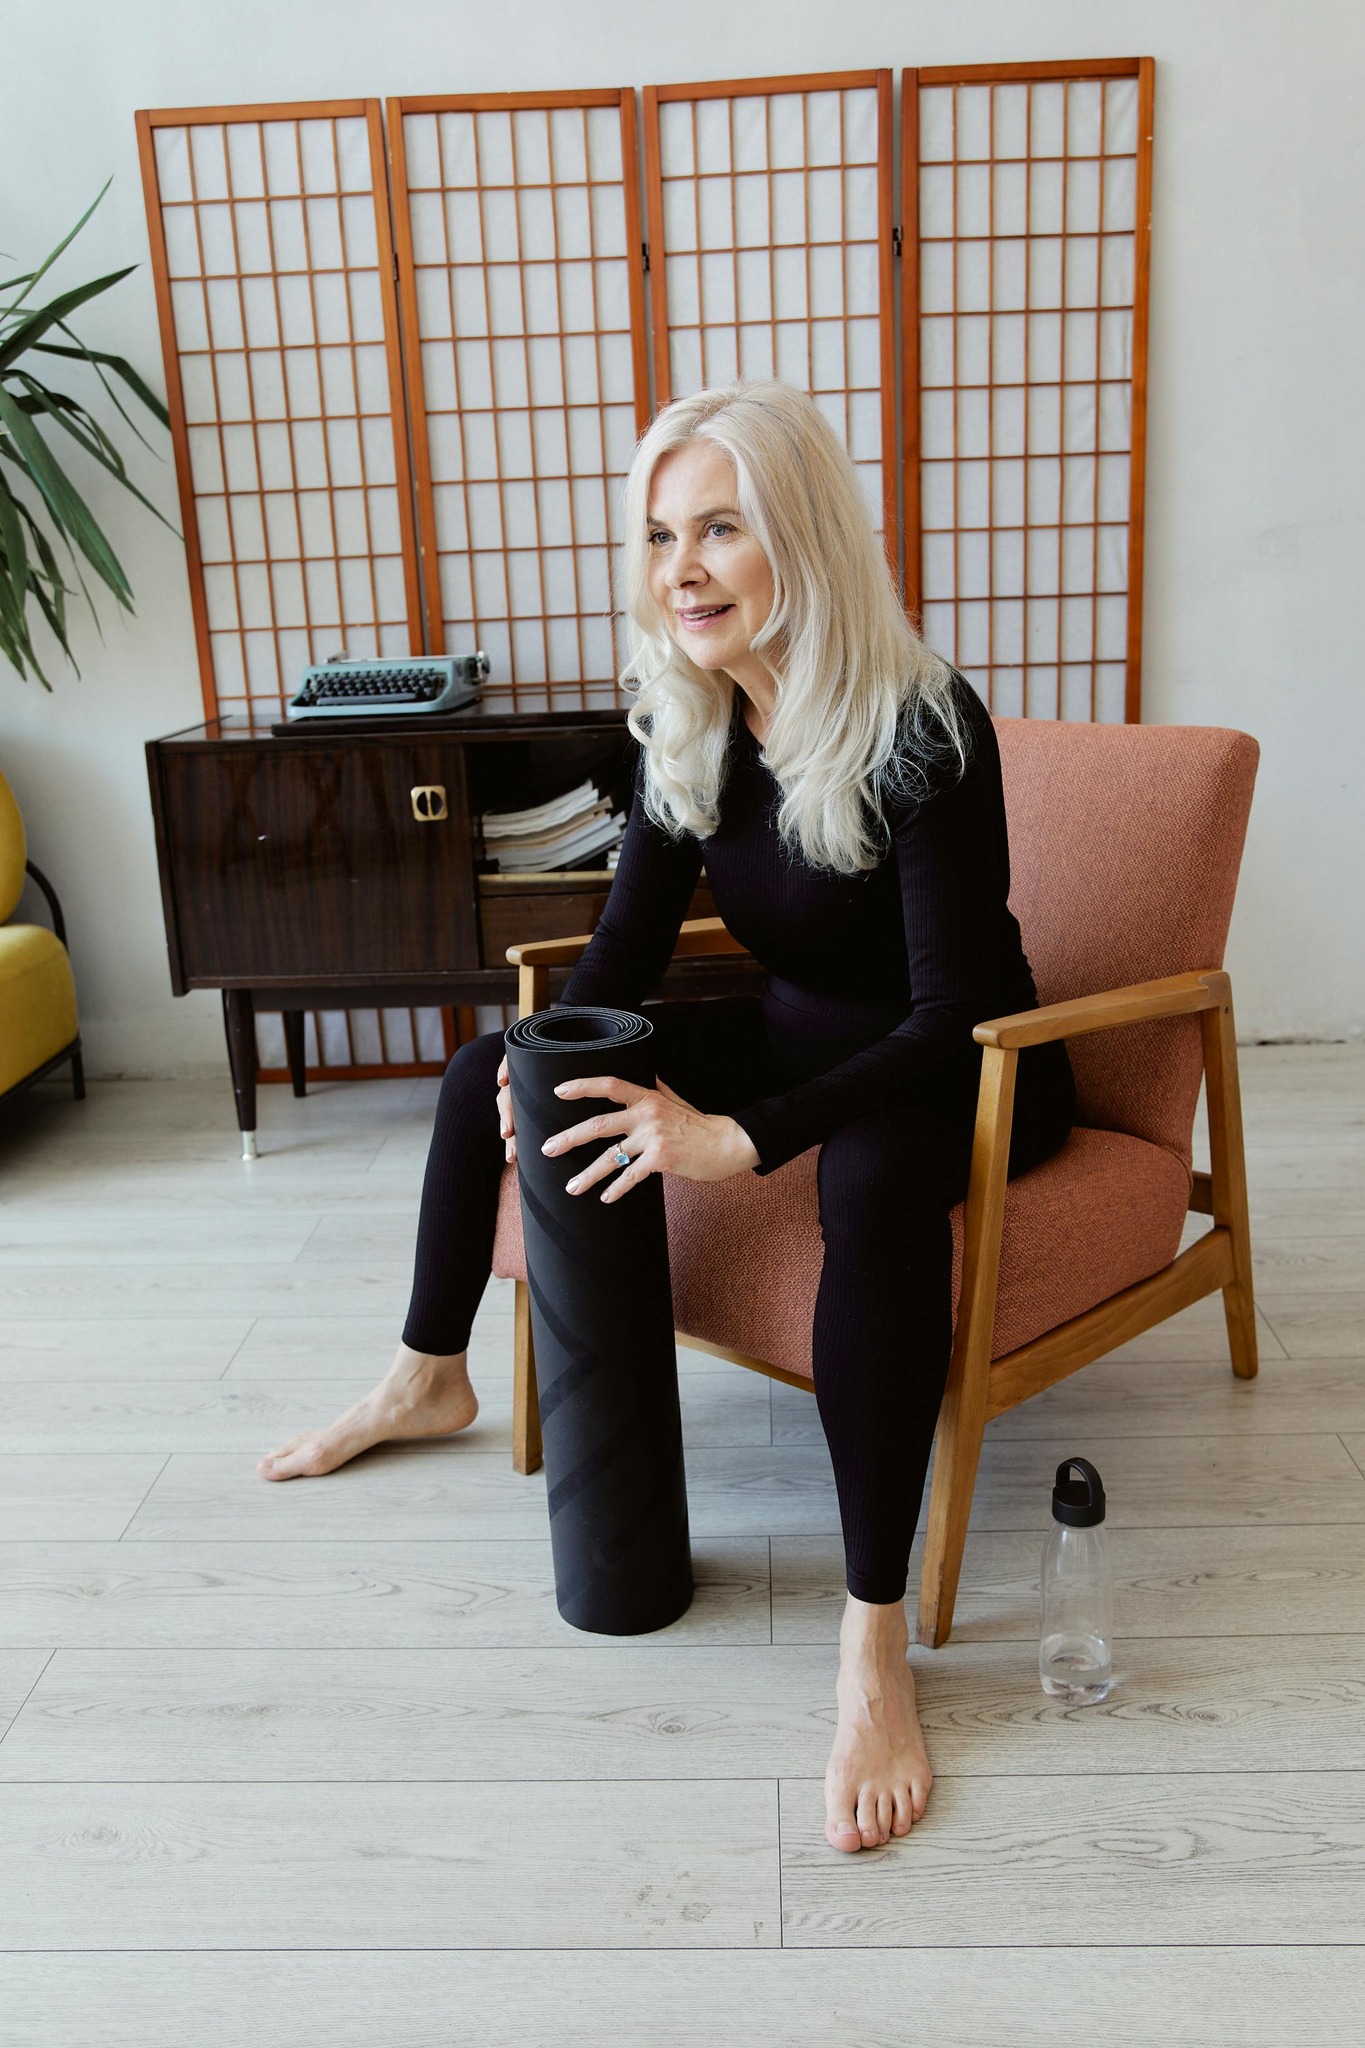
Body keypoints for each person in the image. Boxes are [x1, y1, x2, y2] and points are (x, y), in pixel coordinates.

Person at [258, 378, 1075, 1855]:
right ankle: (426, 1375)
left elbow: (947, 1012)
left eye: (717, 529)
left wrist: (740, 1138)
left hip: (966, 1064)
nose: (679, 569)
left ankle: (872, 1640)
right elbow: (622, 961)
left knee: (870, 1181)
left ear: (800, 538)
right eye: (657, 535)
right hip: (795, 1034)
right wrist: (541, 1075)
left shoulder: (921, 721)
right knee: (486, 1062)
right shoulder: (690, 719)